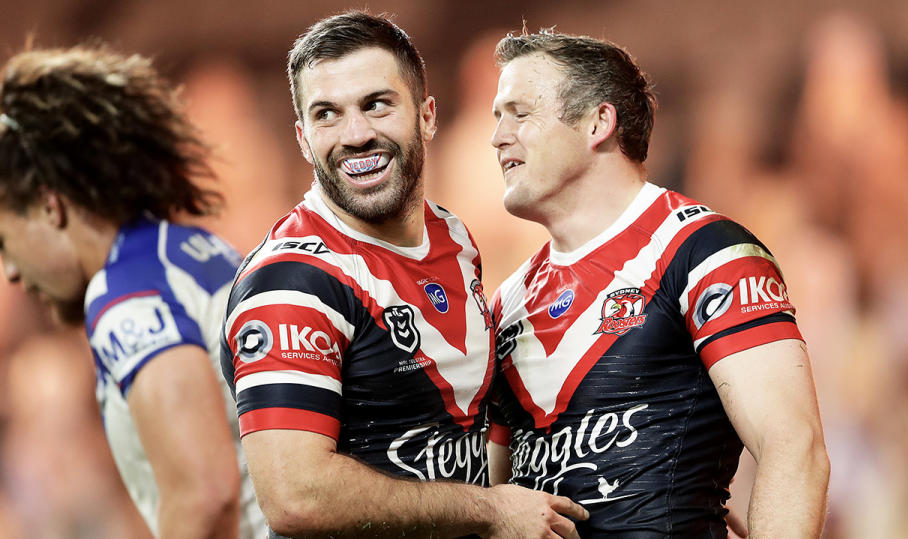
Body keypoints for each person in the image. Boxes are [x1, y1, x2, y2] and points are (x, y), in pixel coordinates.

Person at [219, 11, 587, 538]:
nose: (355, 135)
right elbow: (295, 497)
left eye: (376, 105)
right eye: (327, 114)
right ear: (302, 139)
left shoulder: (452, 237)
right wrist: (488, 511)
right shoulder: (295, 279)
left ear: (427, 116)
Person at [487, 29, 830, 538]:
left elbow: (794, 447)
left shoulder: (702, 252)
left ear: (598, 122)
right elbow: (496, 497)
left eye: (520, 113)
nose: (497, 137)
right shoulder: (507, 302)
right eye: (497, 117)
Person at [0, 46, 266, 537]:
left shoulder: (124, 296)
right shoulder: (194, 250)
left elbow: (204, 497)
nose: (11, 271)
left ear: (49, 206)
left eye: (5, 240)